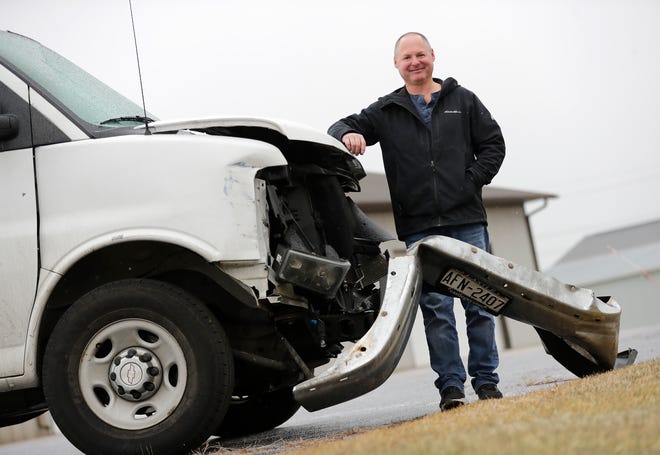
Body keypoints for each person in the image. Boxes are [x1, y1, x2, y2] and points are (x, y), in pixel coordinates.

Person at [328, 32, 506, 411]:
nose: (415, 62)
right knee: (438, 310)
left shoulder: (464, 101)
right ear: (397, 64)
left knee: (480, 305)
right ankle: (452, 390)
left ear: (433, 57)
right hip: (419, 226)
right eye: (407, 57)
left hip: (467, 219)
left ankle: (487, 384)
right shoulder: (387, 110)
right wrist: (350, 133)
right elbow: (339, 125)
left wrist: (470, 180)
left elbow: (494, 145)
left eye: (420, 55)